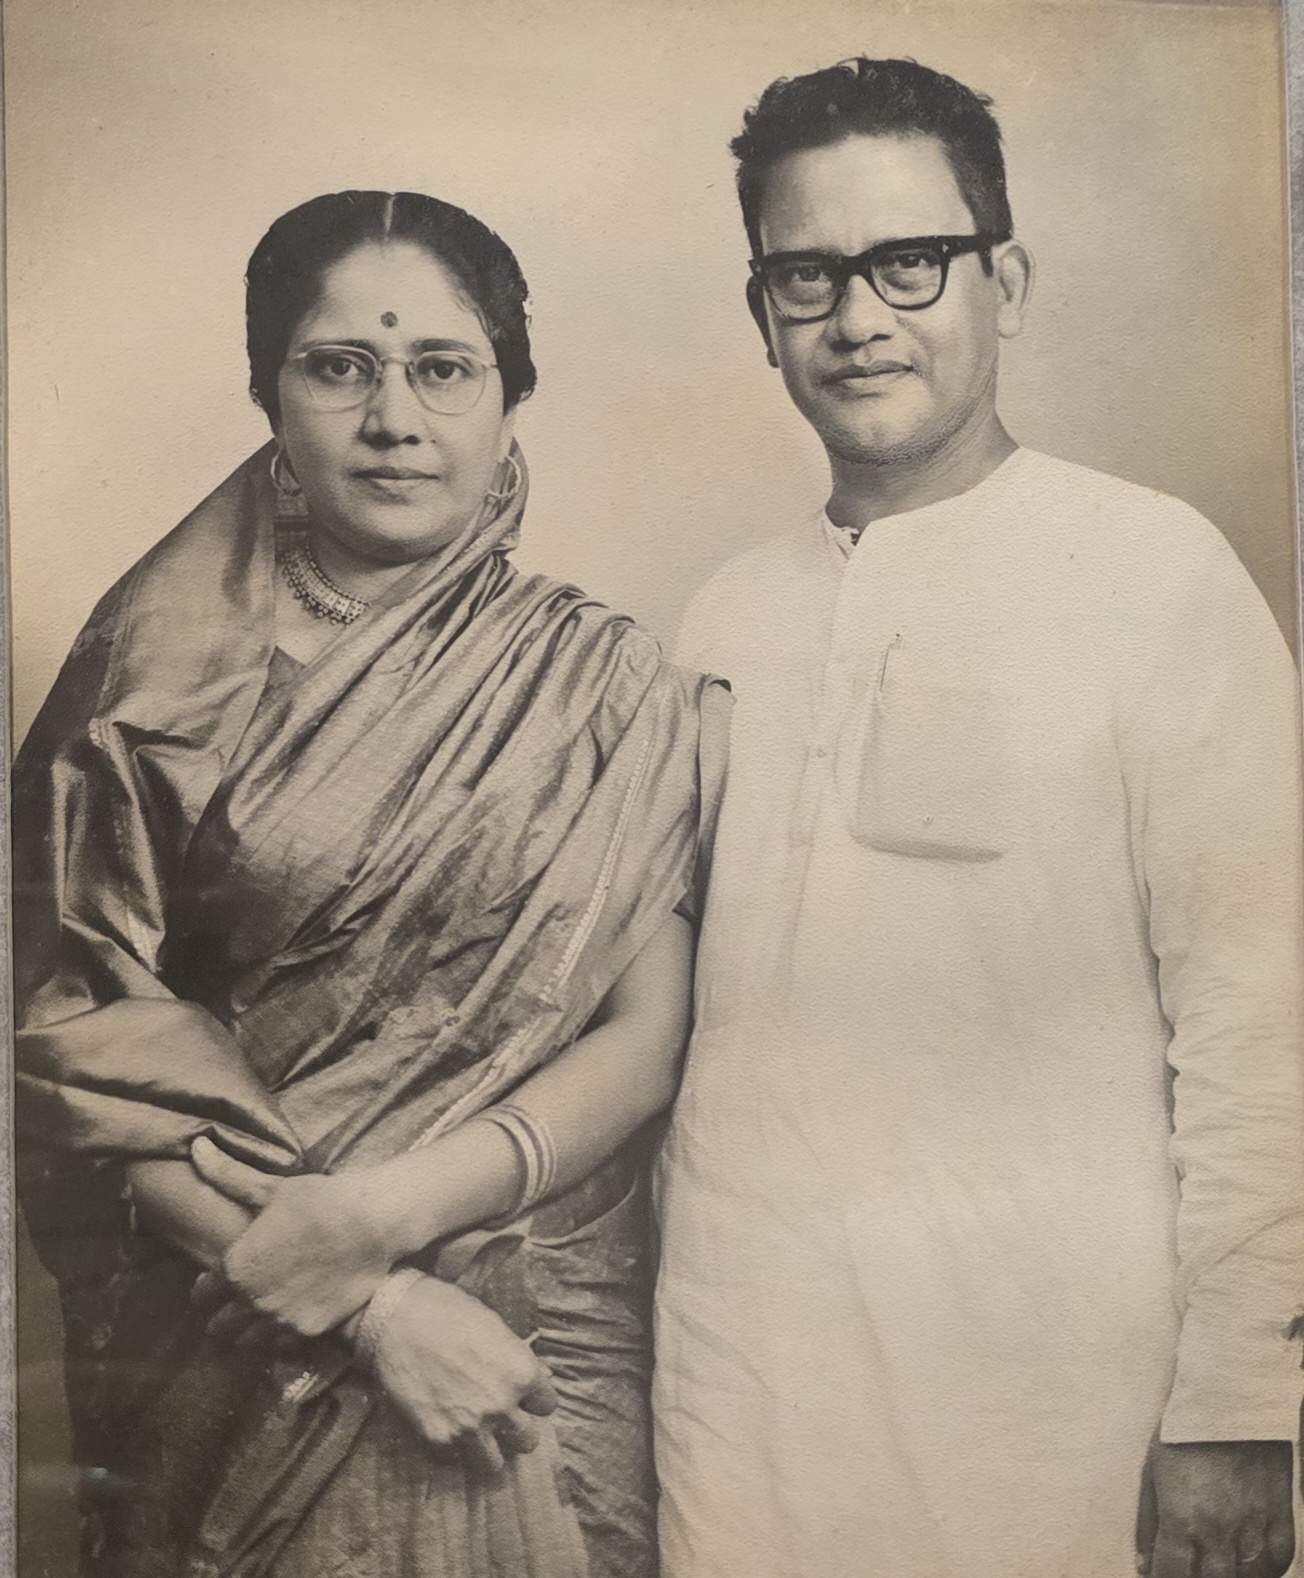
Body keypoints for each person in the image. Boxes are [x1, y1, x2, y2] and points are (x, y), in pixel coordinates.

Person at [653, 57, 1304, 1578]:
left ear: (1003, 282)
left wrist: (1239, 1405)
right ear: (761, 311)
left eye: (911, 262)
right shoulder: (723, 616)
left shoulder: (1157, 573)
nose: (857, 318)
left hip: (1063, 1417)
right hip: (744, 1400)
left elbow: (1262, 1018)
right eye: (807, 275)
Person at [15, 189, 726, 1578]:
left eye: (443, 368)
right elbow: (77, 1046)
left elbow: (649, 1035)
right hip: (238, 1328)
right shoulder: (147, 684)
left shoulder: (604, 681)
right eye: (340, 366)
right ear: (269, 396)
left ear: (510, 399)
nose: (394, 417)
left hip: (526, 1339)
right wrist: (375, 1307)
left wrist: (381, 1223)